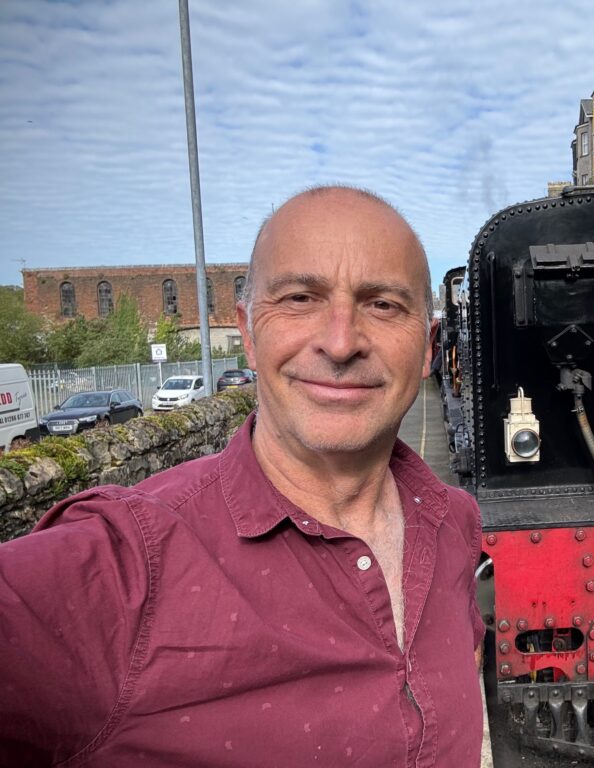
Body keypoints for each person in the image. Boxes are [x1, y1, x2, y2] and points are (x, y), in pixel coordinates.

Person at [0, 187, 486, 767]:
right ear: (248, 336)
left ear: (428, 348)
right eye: (300, 298)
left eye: (382, 305)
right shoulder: (123, 566)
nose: (340, 341)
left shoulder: (453, 522)